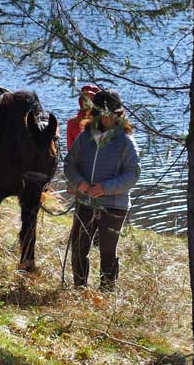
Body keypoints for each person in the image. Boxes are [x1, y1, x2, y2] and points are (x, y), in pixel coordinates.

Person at [64, 90, 140, 291]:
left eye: (110, 114)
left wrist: (105, 188)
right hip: (85, 201)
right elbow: (69, 164)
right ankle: (79, 290)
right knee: (79, 248)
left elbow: (132, 175)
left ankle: (106, 292)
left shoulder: (125, 141)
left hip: (115, 205)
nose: (106, 118)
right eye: (101, 113)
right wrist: (79, 183)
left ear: (118, 114)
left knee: (107, 250)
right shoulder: (84, 137)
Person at [66, 85, 101, 149]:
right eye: (85, 98)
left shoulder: (104, 121)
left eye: (91, 99)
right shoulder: (72, 123)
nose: (87, 102)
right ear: (81, 101)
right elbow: (70, 149)